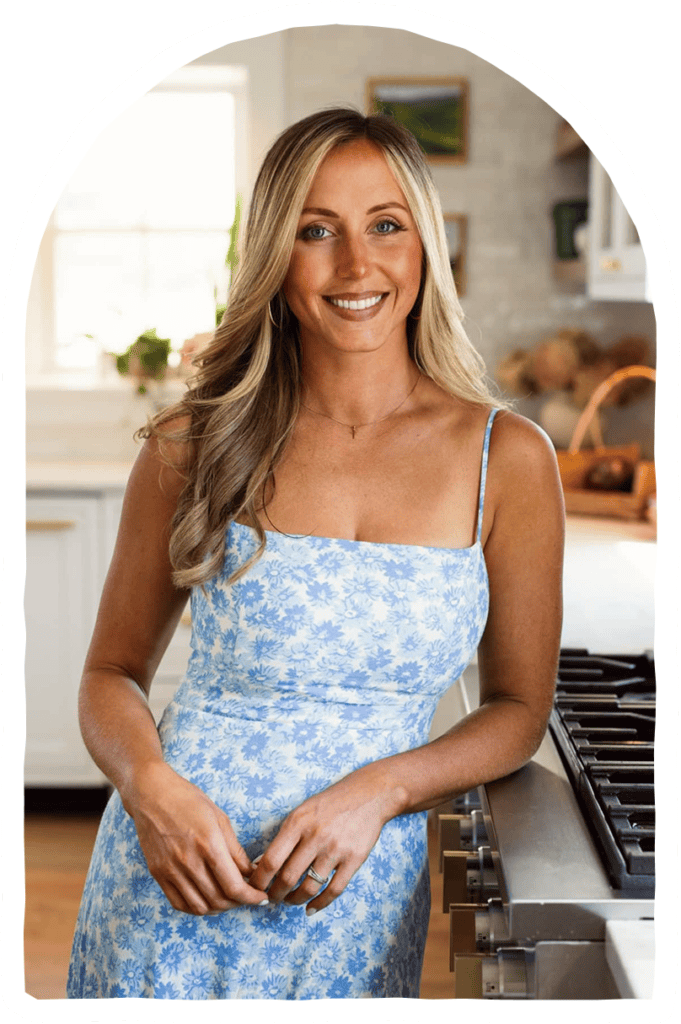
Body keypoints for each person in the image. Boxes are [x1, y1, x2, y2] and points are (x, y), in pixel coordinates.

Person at [66, 107, 564, 1000]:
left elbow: (519, 711)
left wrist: (382, 790)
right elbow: (110, 674)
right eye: (315, 231)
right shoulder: (194, 441)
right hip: (169, 883)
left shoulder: (508, 458)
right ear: (274, 254)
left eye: (386, 226)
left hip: (353, 900)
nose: (356, 266)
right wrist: (149, 789)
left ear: (425, 246)